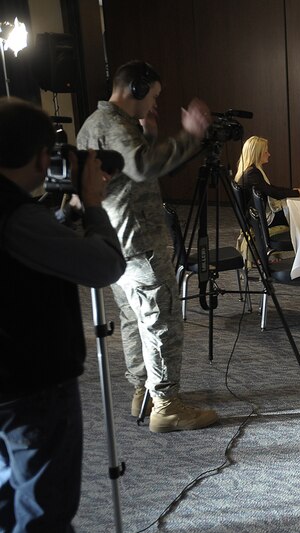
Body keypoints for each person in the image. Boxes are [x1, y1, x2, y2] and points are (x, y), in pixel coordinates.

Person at [0, 97, 126, 531]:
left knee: (6, 501)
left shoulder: (16, 213)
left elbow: (22, 251)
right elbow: (105, 266)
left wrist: (61, 215)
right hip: (30, 385)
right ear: (42, 158)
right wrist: (92, 204)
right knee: (44, 511)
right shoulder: (16, 216)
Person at [77, 60, 219, 432]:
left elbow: (125, 174)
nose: (154, 103)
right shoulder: (114, 124)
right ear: (136, 89)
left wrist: (151, 137)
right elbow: (141, 167)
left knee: (134, 317)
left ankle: (143, 390)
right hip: (140, 242)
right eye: (153, 95)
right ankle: (167, 406)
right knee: (161, 321)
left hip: (115, 240)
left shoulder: (94, 123)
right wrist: (190, 135)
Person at [234, 135, 300, 227]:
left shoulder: (250, 170)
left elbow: (271, 188)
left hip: (257, 216)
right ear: (257, 154)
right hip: (260, 219)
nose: (269, 154)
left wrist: (294, 191)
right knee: (297, 213)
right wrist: (298, 193)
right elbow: (273, 193)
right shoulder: (252, 173)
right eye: (266, 152)